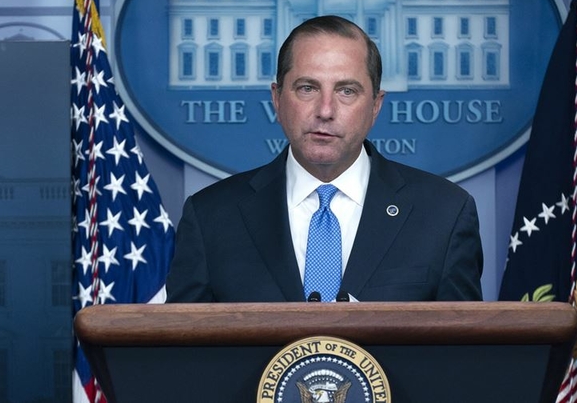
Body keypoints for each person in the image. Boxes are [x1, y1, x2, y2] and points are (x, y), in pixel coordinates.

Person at [165, 15, 483, 303]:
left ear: (376, 105)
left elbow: (462, 358)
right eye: (307, 88)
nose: (325, 111)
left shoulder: (444, 215)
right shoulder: (210, 218)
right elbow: (182, 359)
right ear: (277, 99)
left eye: (347, 91)